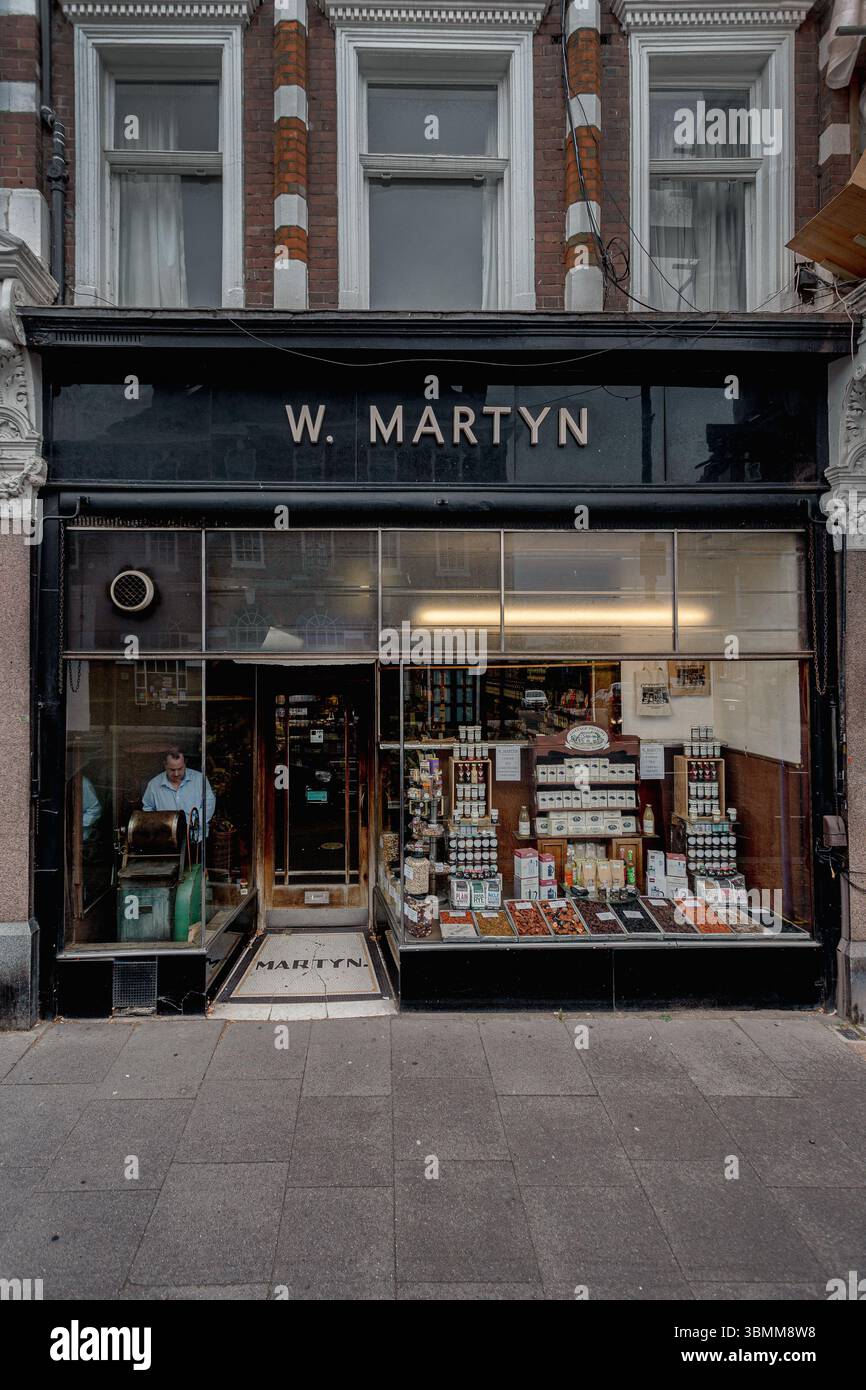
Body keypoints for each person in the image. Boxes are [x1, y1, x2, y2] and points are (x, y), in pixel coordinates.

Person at [142, 746, 215, 840]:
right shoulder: (154, 785)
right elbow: (147, 810)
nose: (176, 774)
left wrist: (192, 824)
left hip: (197, 839)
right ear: (165, 765)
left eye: (180, 769)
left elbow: (208, 805)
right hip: (166, 840)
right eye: (172, 770)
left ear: (185, 763)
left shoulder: (200, 779)